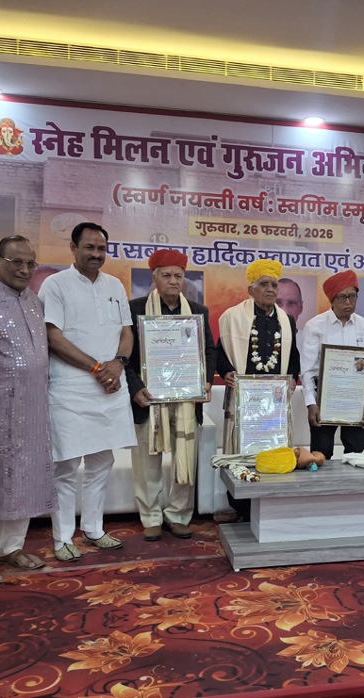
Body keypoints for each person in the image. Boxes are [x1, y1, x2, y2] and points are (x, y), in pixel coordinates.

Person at [39, 222, 136, 561]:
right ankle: (63, 537)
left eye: (101, 248)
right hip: (70, 389)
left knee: (102, 461)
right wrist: (97, 368)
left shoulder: (114, 285)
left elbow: (126, 332)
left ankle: (93, 528)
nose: (96, 254)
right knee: (66, 466)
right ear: (73, 248)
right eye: (89, 247)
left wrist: (118, 364)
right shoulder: (55, 285)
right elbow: (53, 337)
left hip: (110, 387)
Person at [0, 236, 57, 585]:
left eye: (30, 263)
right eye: (16, 262)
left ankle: (10, 547)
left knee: (26, 474)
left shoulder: (35, 301)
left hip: (32, 406)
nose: (24, 269)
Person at [126, 249, 215, 541]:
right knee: (147, 461)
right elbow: (124, 355)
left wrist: (205, 382)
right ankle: (151, 516)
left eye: (178, 275)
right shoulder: (134, 309)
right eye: (166, 275)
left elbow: (209, 350)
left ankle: (178, 514)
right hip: (149, 399)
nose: (173, 281)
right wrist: (136, 387)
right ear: (154, 278)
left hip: (187, 399)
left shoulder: (198, 311)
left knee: (185, 459)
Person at [217, 259, 301, 520]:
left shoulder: (286, 320)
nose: (270, 289)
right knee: (242, 453)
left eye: (274, 285)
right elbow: (220, 353)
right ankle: (241, 510)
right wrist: (226, 372)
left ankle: (270, 509)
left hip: (274, 402)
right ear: (250, 289)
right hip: (244, 401)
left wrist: (292, 378)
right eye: (264, 284)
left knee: (272, 451)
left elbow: (293, 356)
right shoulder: (233, 317)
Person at [301, 270, 364, 459]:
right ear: (332, 299)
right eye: (342, 297)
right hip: (324, 401)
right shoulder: (315, 326)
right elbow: (308, 370)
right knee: (320, 455)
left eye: (352, 296)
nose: (348, 302)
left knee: (358, 456)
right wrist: (311, 403)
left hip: (356, 402)